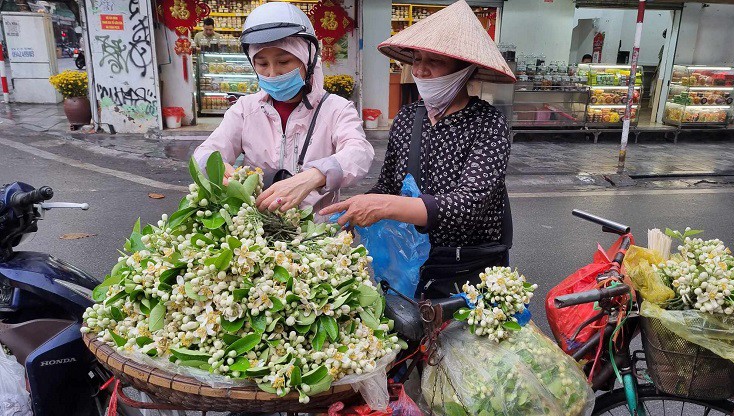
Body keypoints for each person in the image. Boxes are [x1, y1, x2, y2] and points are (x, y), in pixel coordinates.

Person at [320, 0, 515, 298]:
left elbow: (469, 205)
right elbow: (389, 184)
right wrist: (355, 208)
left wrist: (384, 207)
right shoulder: (409, 117)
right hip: (411, 259)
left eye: (435, 62)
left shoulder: (488, 124)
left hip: (469, 264)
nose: (421, 71)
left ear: (465, 70)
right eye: (417, 59)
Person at [193, 3, 374, 213]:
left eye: (284, 61)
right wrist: (216, 167)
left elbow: (359, 153)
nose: (272, 73)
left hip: (317, 232)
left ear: (308, 58)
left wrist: (315, 176)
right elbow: (206, 152)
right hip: (256, 229)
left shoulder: (336, 109)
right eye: (262, 64)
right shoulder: (245, 109)